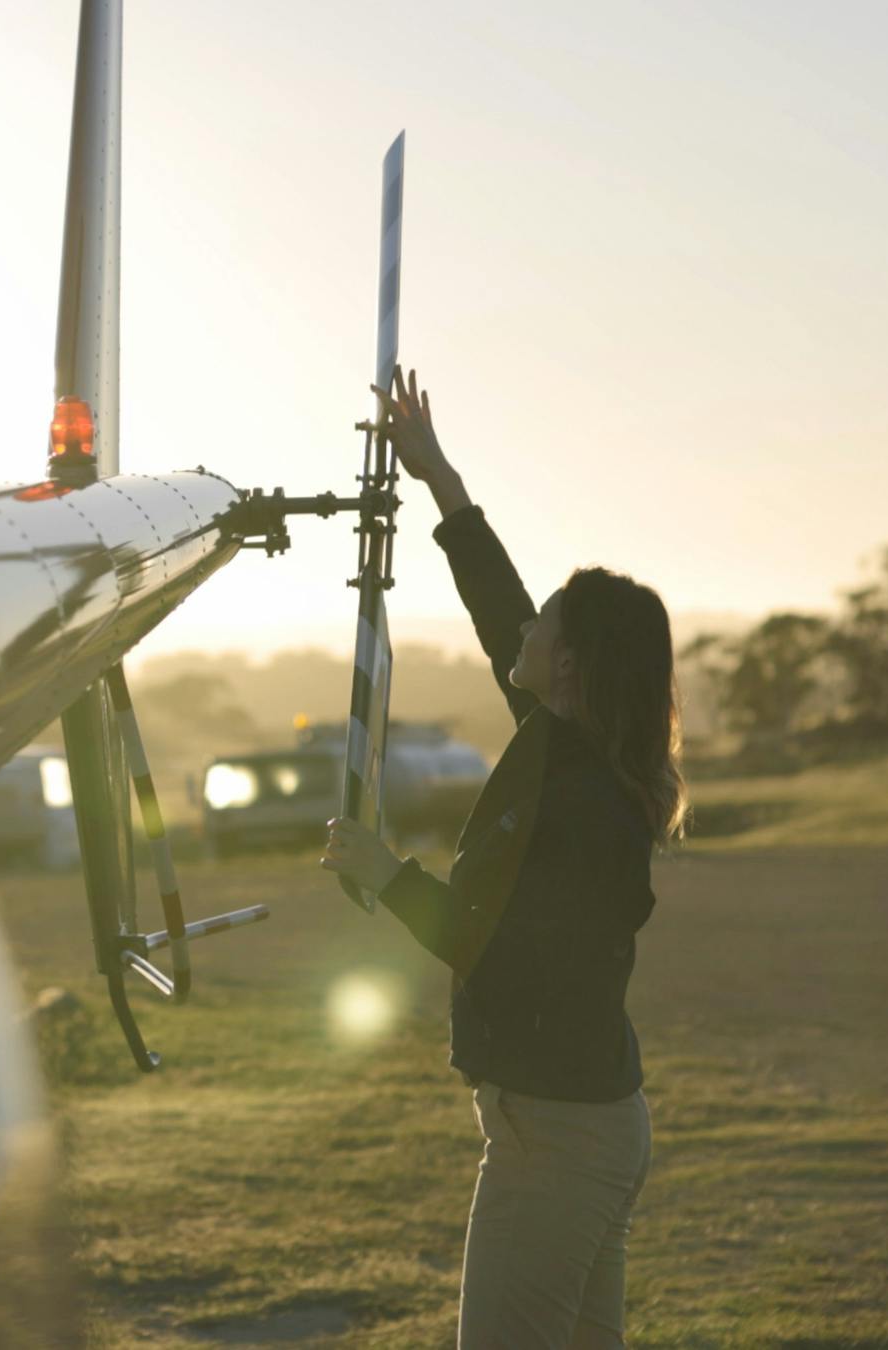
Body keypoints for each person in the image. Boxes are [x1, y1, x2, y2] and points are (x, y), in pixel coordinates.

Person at [323, 366, 688, 1349]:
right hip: (580, 1124)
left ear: (567, 666)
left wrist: (384, 872)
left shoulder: (585, 807)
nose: (522, 632)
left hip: (557, 1139)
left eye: (545, 629)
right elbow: (500, 610)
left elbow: (504, 952)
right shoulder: (567, 749)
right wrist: (441, 480)